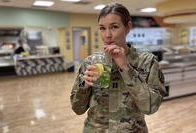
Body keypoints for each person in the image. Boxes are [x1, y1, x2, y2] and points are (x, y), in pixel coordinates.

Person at [70, 3, 165, 133]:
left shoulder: (146, 61)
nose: (107, 35)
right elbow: (77, 109)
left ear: (128, 27)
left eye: (114, 27)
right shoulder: (91, 62)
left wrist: (125, 68)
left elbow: (150, 107)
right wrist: (84, 87)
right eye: (102, 28)